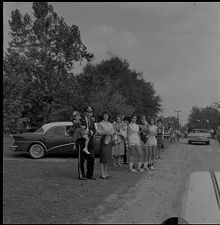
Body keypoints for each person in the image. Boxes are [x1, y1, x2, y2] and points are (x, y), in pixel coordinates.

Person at [75, 106, 96, 180]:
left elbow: (94, 130)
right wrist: (83, 132)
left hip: (90, 141)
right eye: (88, 111)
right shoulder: (80, 119)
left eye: (91, 112)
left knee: (92, 158)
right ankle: (81, 175)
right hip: (81, 141)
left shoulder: (92, 121)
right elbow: (76, 128)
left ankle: (89, 175)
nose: (89, 113)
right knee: (82, 159)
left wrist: (90, 132)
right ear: (85, 112)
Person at [96, 111, 115, 179]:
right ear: (102, 116)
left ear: (108, 116)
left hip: (109, 140)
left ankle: (105, 171)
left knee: (107, 157)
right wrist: (105, 132)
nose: (105, 116)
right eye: (104, 115)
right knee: (103, 156)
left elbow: (113, 131)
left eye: (107, 115)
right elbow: (98, 132)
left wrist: (111, 133)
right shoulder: (100, 123)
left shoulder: (110, 124)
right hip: (103, 140)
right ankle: (102, 173)